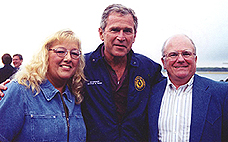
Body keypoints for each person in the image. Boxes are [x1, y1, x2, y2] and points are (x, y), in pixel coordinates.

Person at [82, 4, 164, 141]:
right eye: (114, 30)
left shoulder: (149, 68)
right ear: (101, 33)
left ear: (134, 36)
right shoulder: (83, 66)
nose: (121, 37)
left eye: (127, 31)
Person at [0, 29, 86, 141]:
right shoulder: (21, 90)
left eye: (74, 53)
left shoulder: (76, 96)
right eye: (60, 52)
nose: (68, 58)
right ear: (45, 55)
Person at [148, 34, 228, 141]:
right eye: (173, 55)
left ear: (195, 59)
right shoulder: (150, 93)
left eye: (186, 54)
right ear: (164, 62)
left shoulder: (221, 93)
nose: (180, 59)